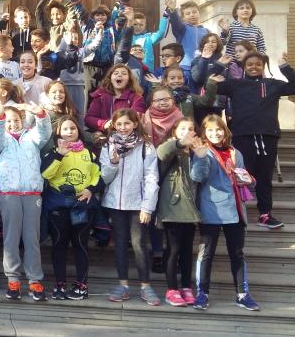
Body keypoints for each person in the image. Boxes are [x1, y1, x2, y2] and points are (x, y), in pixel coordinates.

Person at [215, 52, 295, 229]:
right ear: (244, 67)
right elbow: (210, 82)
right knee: (239, 175)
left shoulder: (273, 84)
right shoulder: (235, 85)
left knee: (264, 178)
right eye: (249, 64)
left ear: (263, 66)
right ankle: (232, 212)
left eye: (258, 64)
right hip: (243, 136)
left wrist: (285, 67)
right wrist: (219, 65)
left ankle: (265, 215)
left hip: (268, 136)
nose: (253, 67)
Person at [190, 115, 260, 311]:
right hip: (211, 208)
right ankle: (202, 293)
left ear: (225, 130)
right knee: (206, 254)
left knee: (237, 254)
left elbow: (243, 176)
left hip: (236, 210)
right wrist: (201, 158)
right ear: (204, 133)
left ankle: (242, 294)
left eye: (218, 129)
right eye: (210, 130)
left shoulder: (235, 152)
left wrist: (247, 180)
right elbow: (197, 177)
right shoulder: (204, 151)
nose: (215, 133)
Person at [0, 102, 50, 301]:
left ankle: (34, 280)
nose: (13, 124)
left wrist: (40, 114)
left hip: (32, 194)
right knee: (11, 238)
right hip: (9, 193)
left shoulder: (32, 136)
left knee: (32, 238)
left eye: (16, 120)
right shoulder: (1, 139)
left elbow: (45, 131)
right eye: (8, 121)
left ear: (22, 120)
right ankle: (13, 279)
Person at [100, 109, 161, 306]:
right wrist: (113, 163)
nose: (123, 128)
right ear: (114, 126)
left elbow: (152, 178)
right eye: (119, 124)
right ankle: (123, 284)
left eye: (127, 123)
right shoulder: (108, 145)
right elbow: (105, 178)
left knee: (140, 245)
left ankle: (145, 286)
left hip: (138, 204)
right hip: (115, 204)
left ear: (135, 124)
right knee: (119, 244)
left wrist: (148, 207)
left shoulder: (146, 146)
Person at [40, 116, 102, 301]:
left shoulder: (89, 153)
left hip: (81, 205)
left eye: (72, 128)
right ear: (58, 132)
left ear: (78, 131)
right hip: (58, 205)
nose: (69, 132)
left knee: (80, 245)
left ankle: (82, 285)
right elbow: (45, 174)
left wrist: (90, 189)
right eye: (65, 129)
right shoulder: (51, 153)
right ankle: (60, 284)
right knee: (59, 245)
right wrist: (59, 155)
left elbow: (97, 176)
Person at [155, 118, 202, 307]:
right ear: (175, 131)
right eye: (183, 128)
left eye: (191, 128)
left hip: (191, 208)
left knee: (187, 250)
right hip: (172, 207)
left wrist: (201, 156)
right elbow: (161, 153)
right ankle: (172, 289)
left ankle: (186, 287)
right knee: (173, 249)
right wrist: (179, 143)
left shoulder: (196, 151)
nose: (188, 131)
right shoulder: (170, 146)